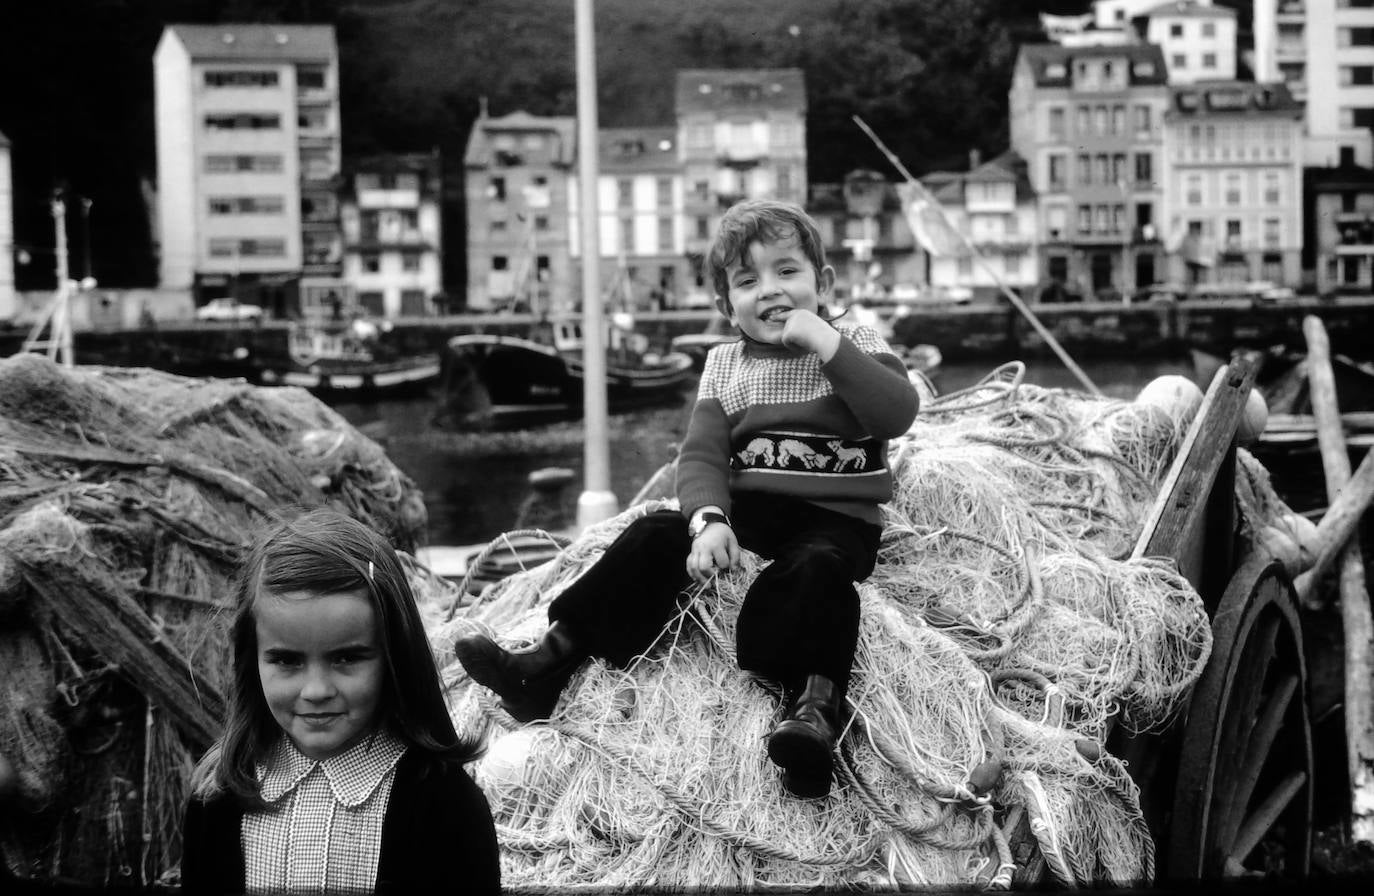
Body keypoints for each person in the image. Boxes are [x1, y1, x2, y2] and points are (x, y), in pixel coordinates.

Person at [455, 199, 919, 799]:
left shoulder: (854, 341)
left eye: (787, 272)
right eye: (748, 282)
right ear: (728, 306)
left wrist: (828, 346)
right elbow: (699, 456)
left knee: (818, 572)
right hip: (754, 510)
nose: (771, 292)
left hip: (838, 517)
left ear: (823, 284)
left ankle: (815, 710)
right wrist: (709, 520)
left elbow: (897, 414)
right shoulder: (725, 366)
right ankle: (546, 663)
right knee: (653, 534)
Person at [181, 508, 499, 895]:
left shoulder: (444, 804)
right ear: (252, 661)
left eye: (346, 658)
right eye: (287, 660)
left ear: (393, 657)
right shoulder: (219, 795)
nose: (316, 690)